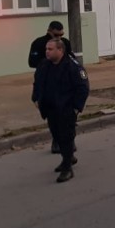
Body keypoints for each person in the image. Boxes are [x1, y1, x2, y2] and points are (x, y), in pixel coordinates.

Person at [32, 39, 90, 183]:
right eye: (46, 49)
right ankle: (68, 157)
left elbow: (83, 88)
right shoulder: (44, 65)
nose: (47, 51)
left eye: (50, 49)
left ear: (60, 50)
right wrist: (35, 98)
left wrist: (76, 108)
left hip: (66, 109)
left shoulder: (72, 67)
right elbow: (37, 82)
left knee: (66, 137)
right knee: (56, 136)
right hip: (50, 108)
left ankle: (67, 168)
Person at [28, 21, 74, 154]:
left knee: (67, 115)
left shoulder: (65, 43)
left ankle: (69, 143)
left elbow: (71, 59)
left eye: (61, 34)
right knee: (52, 115)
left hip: (64, 81)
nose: (59, 37)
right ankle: (57, 140)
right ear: (49, 31)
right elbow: (32, 62)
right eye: (56, 34)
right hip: (47, 82)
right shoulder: (39, 43)